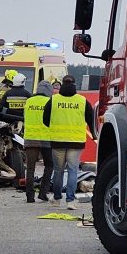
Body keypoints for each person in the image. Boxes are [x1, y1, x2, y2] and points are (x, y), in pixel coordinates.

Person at [42, 75, 96, 209]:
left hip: (58, 141)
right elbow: (91, 119)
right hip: (76, 142)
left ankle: (57, 198)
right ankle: (70, 201)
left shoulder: (54, 100)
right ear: (74, 84)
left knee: (58, 171)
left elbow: (45, 119)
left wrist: (54, 128)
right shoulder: (82, 101)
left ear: (61, 84)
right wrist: (94, 134)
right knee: (73, 171)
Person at [22, 81, 54, 203]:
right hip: (47, 138)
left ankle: (30, 196)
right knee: (49, 165)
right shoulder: (50, 102)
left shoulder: (29, 101)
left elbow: (25, 116)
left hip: (30, 139)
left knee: (30, 168)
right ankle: (43, 192)